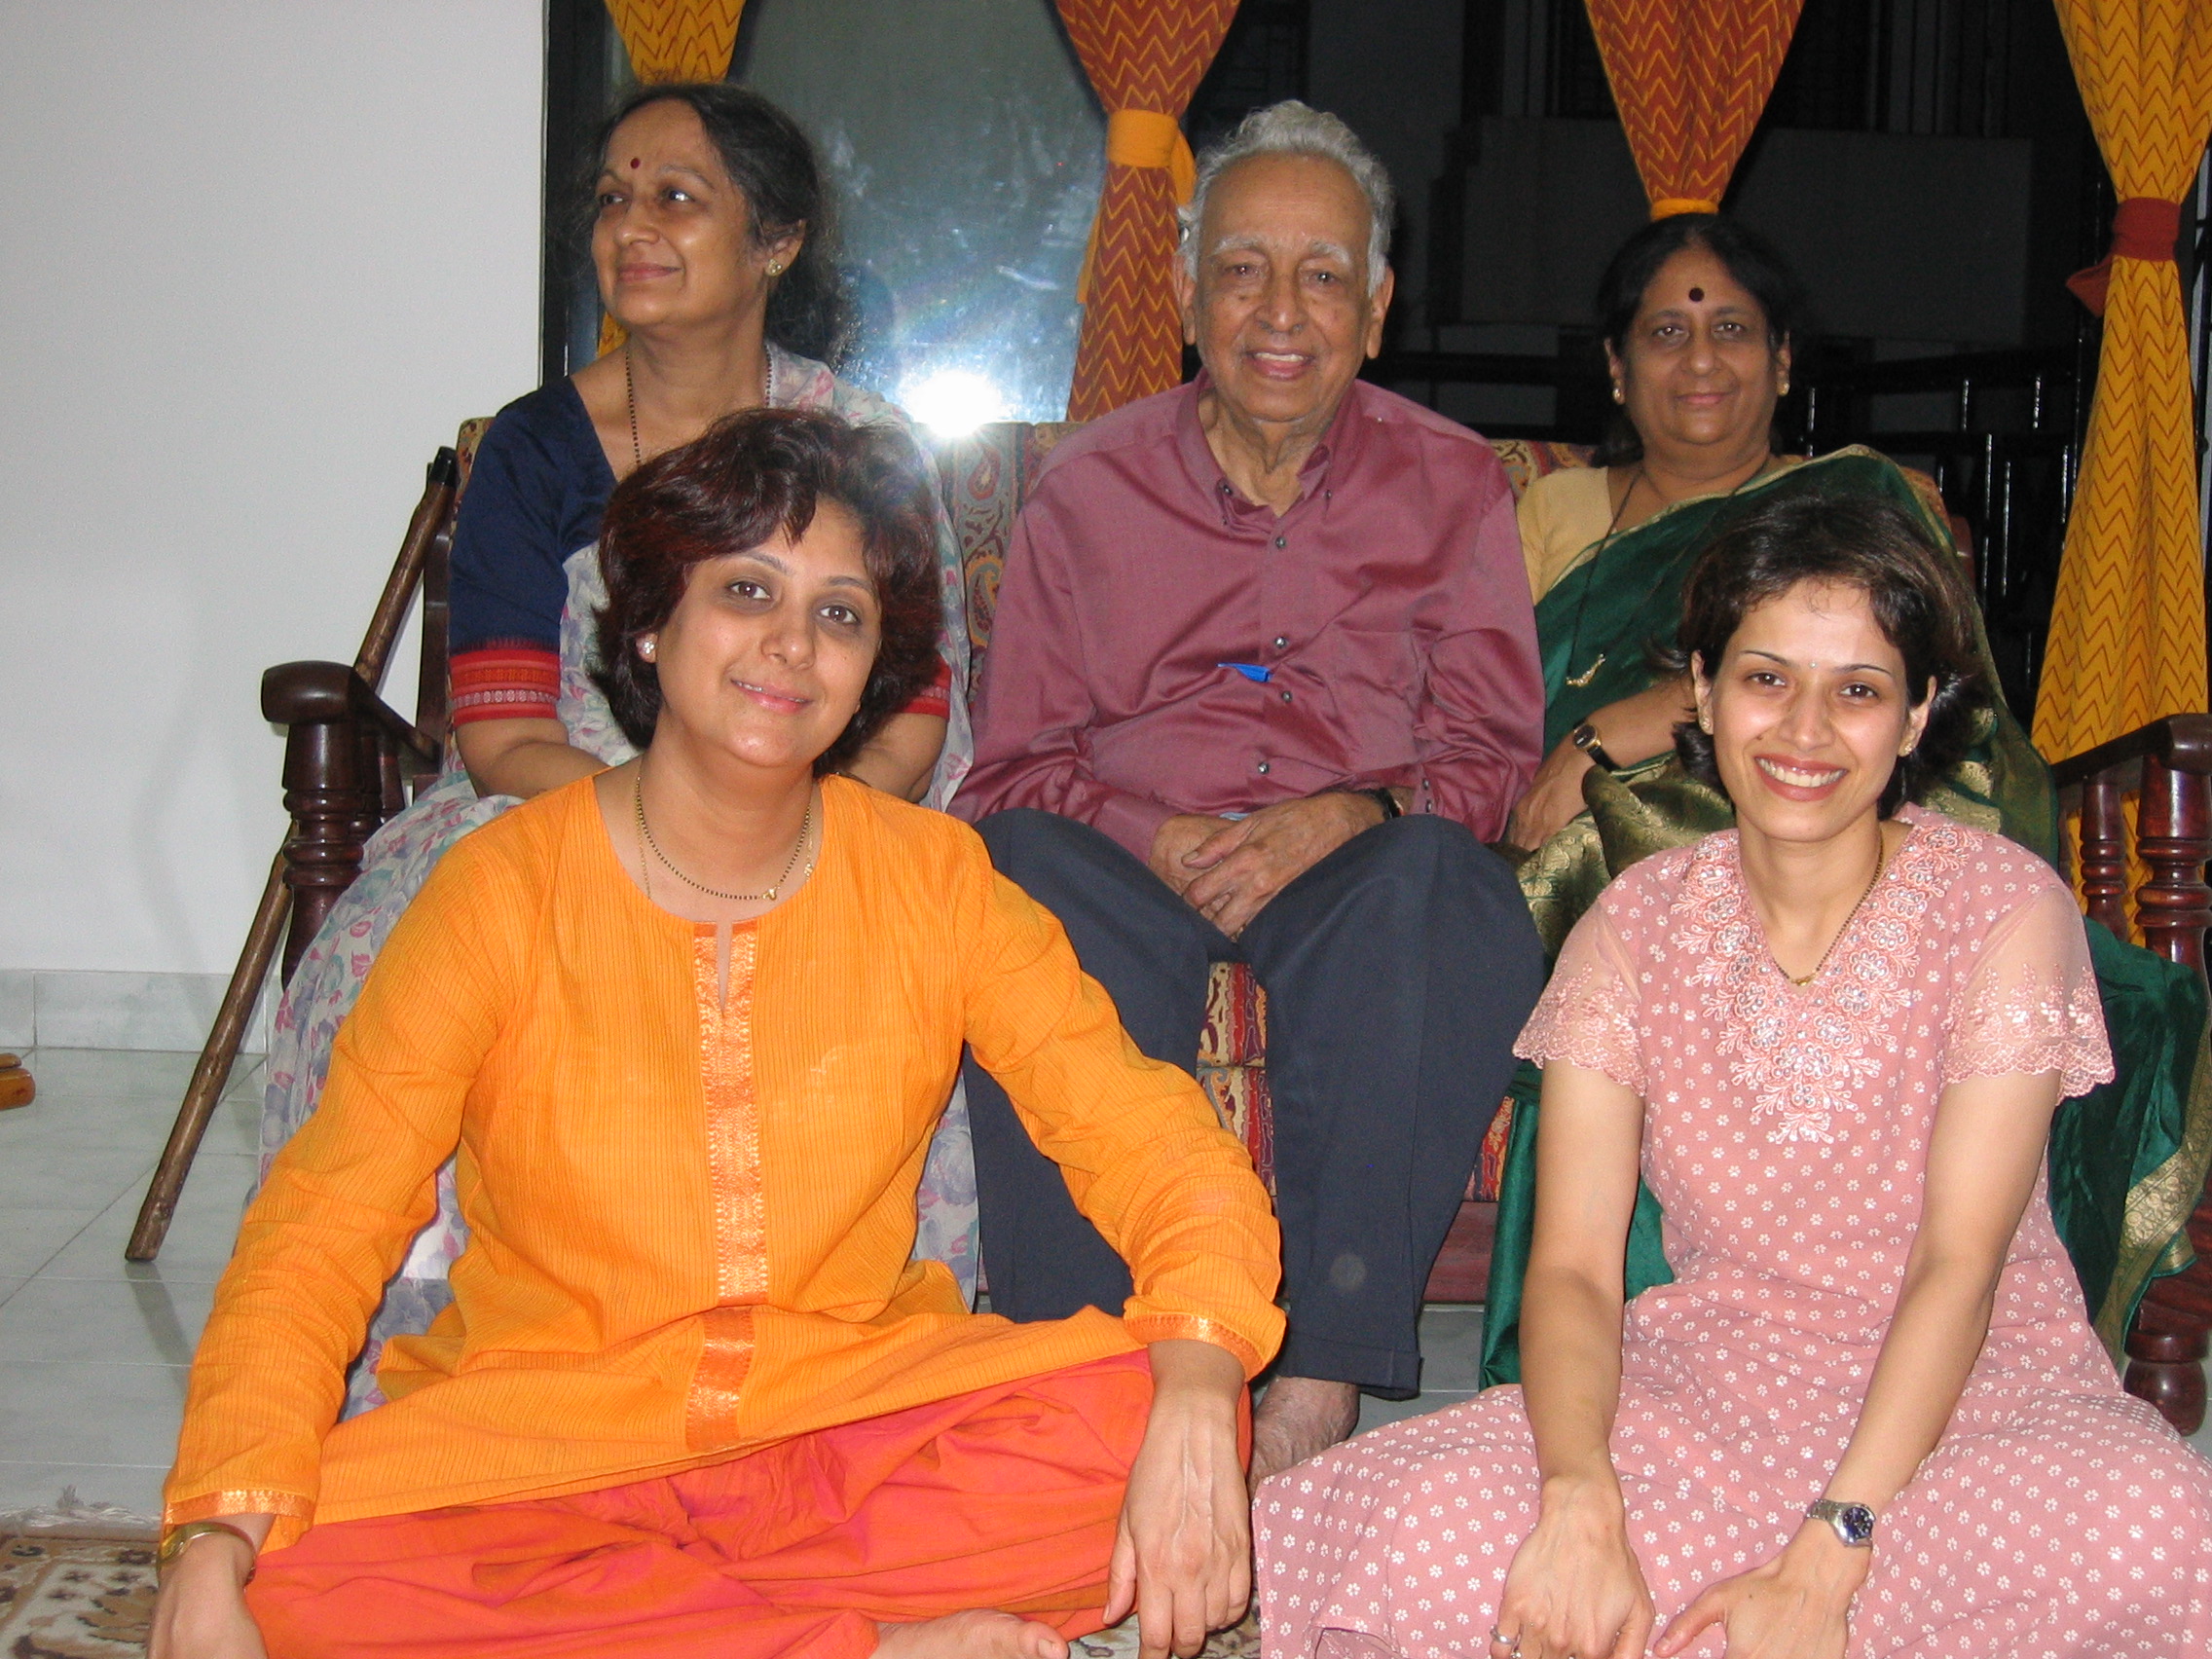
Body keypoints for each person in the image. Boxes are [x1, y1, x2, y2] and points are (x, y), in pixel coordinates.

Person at [154, 410, 1280, 1659]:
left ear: (872, 667)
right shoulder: (498, 893)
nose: (792, 644)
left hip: (844, 1433)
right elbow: (322, 1221)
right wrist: (216, 1529)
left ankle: (683, 1629)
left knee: (1149, 1418)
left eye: (840, 613)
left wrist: (1200, 1369)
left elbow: (1147, 1134)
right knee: (291, 1572)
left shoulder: (933, 879)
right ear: (651, 621)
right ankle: (855, 1645)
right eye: (747, 590)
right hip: (551, 1446)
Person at [1255, 490, 2212, 1659]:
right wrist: (1577, 1495)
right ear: (1701, 693)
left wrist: (1833, 1543)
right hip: (1704, 1393)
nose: (1804, 732)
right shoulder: (1635, 922)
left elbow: (1957, 1266)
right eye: (1766, 679)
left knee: (2146, 1525)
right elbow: (1573, 1269)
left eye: (1857, 691)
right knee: (1423, 1529)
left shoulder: (2001, 908)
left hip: (1968, 1404)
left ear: (1916, 713)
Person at [261, 84, 980, 1406]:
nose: (629, 227)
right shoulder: (536, 449)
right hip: (560, 796)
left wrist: (787, 834)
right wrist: (652, 835)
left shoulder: (864, 450)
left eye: (675, 198)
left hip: (816, 802)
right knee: (403, 943)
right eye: (611, 198)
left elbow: (911, 718)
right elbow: (503, 731)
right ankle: (411, 1379)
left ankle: (822, 1374)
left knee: (884, 938)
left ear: (775, 243)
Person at [1480, 212, 2203, 1393]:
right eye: (1665, 331)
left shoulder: (1854, 496)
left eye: (1733, 330)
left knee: (1692, 839)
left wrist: (1627, 725)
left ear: (1781, 363)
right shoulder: (1544, 517)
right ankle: (1626, 1361)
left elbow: (1921, 703)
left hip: (1791, 827)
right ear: (1614, 365)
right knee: (1601, 891)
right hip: (1591, 870)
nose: (1701, 358)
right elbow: (1475, 708)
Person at [951, 99, 1546, 1486]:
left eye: (1323, 275)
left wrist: (1355, 815)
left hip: (1351, 869)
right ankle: (1088, 1375)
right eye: (1241, 269)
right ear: (1183, 295)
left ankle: (1319, 1381)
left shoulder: (1455, 484)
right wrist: (1153, 836)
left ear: (1376, 308)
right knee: (1015, 871)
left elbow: (1490, 753)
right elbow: (1013, 769)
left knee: (1444, 880)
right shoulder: (1086, 492)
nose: (1281, 312)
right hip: (1126, 861)